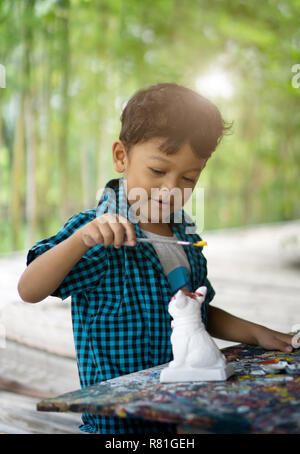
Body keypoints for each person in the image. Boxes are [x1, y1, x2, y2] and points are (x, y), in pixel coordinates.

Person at [18, 83, 294, 434]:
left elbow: (196, 315)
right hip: (115, 425)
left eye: (188, 178)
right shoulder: (96, 235)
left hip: (176, 416)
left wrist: (259, 334)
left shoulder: (187, 239)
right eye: (158, 171)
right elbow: (29, 288)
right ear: (122, 156)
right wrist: (80, 241)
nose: (171, 189)